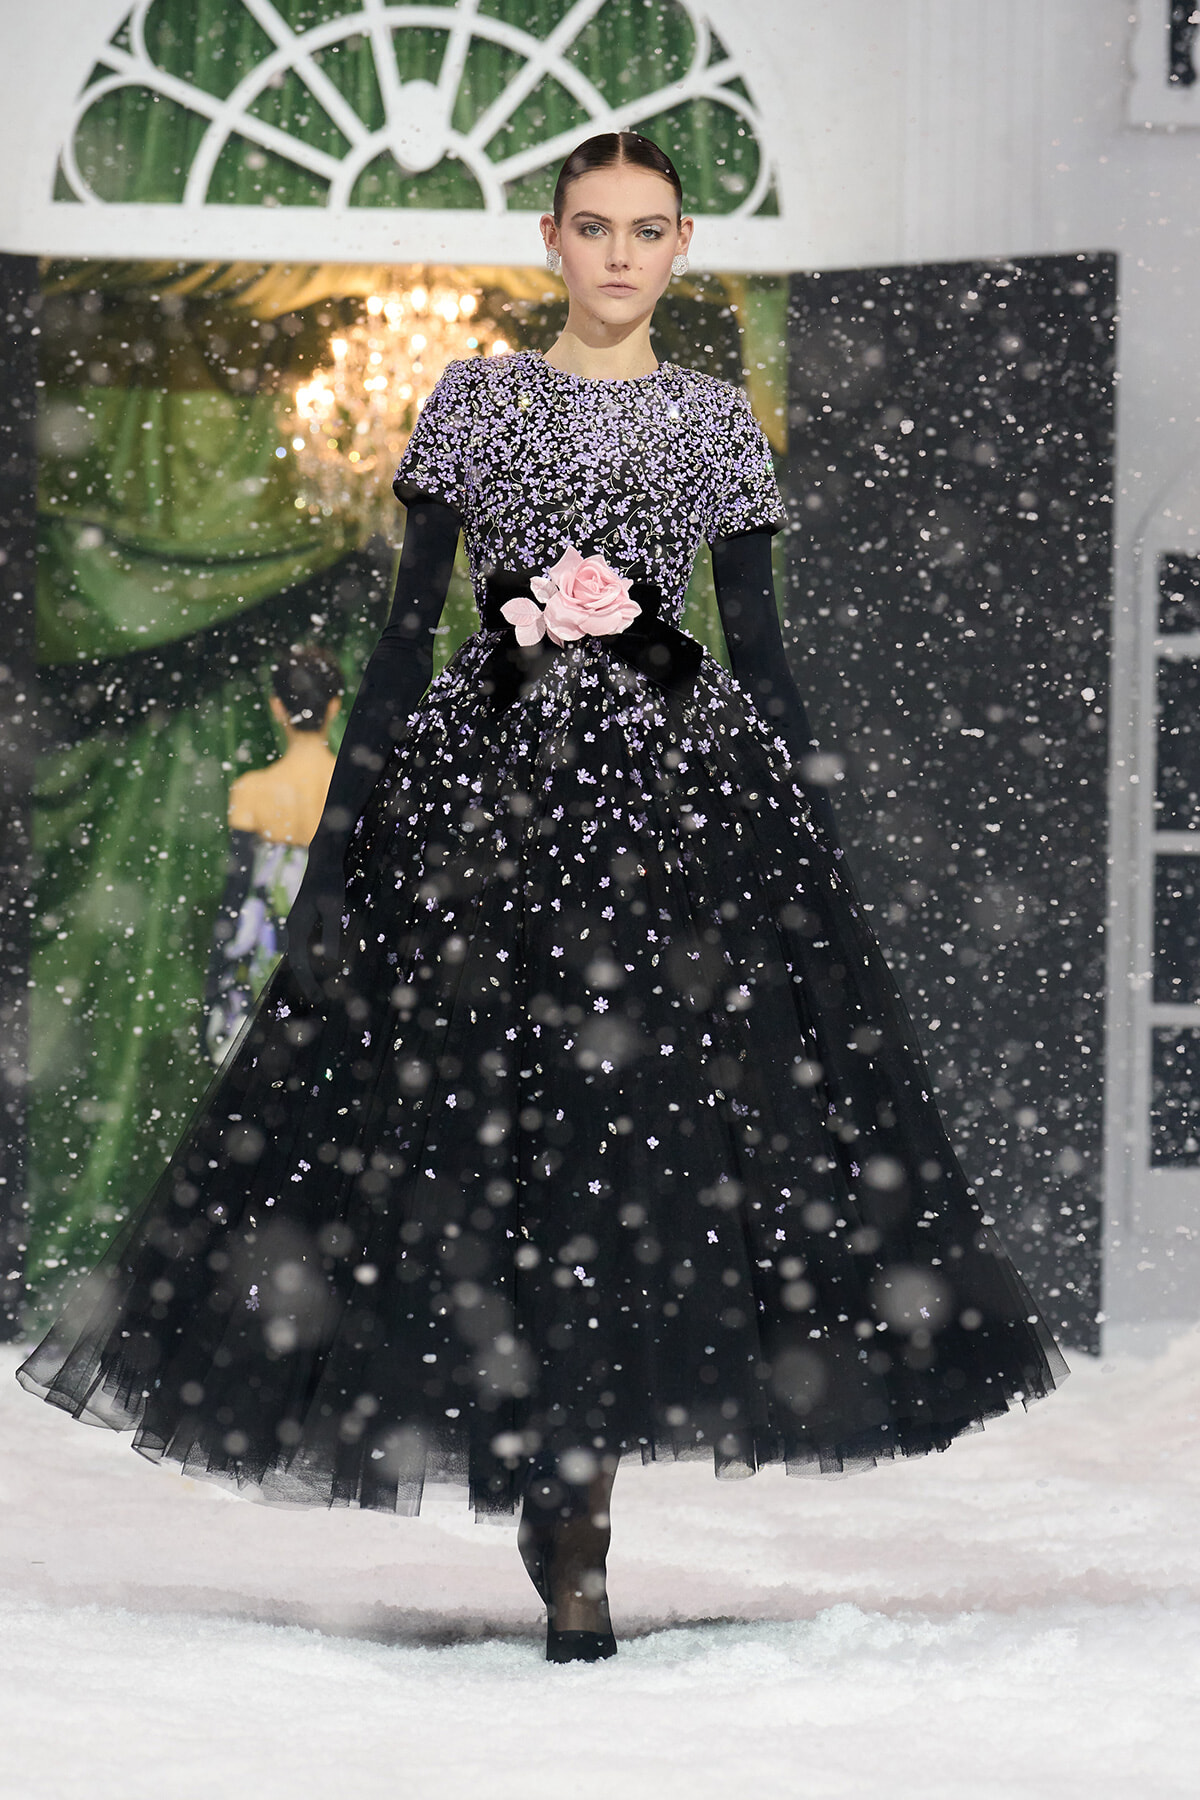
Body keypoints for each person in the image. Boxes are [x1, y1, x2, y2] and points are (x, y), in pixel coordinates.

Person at [18, 133, 1067, 1666]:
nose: (622, 256)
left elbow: (757, 647)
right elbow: (400, 637)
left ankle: (577, 1503)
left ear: (684, 244)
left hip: (672, 804)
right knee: (480, 1138)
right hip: (482, 803)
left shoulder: (715, 422)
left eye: (649, 230)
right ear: (551, 239)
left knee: (636, 1145)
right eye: (595, 228)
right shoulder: (476, 399)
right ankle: (553, 1473)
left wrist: (803, 817)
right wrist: (357, 831)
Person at [204, 646, 344, 1063]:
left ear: (277, 708)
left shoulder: (251, 791)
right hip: (332, 948)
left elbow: (236, 896)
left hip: (266, 957)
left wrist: (215, 988)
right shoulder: (350, 785)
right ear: (334, 706)